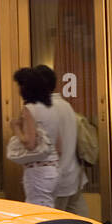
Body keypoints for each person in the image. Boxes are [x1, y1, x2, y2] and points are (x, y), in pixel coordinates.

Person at [36, 64, 87, 215]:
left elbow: (47, 148)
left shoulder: (42, 109)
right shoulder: (66, 105)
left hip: (54, 181)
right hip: (74, 176)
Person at [10, 68, 60, 207]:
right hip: (53, 168)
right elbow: (59, 145)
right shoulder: (51, 108)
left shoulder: (30, 109)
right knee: (49, 209)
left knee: (38, 211)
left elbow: (29, 143)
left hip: (38, 171)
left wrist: (15, 128)